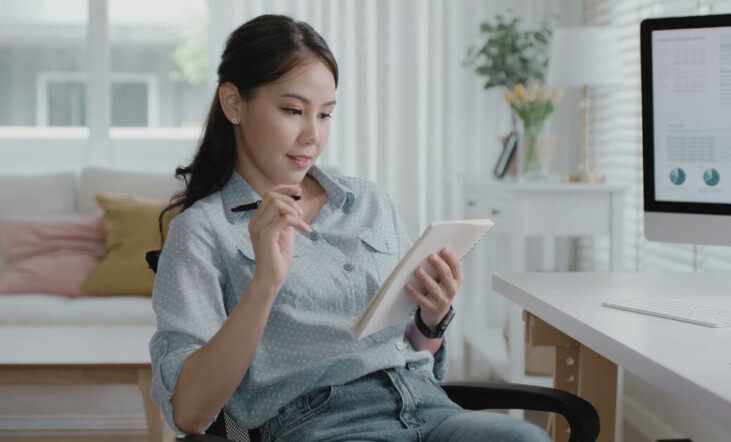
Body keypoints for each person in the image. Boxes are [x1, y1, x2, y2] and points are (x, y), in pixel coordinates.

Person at [150, 14, 551, 442]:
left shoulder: (369, 203)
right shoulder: (202, 231)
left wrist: (431, 321)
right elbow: (190, 412)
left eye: (324, 115)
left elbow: (411, 350)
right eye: (292, 110)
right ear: (234, 103)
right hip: (320, 424)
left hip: (430, 408)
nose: (312, 135)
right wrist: (265, 284)